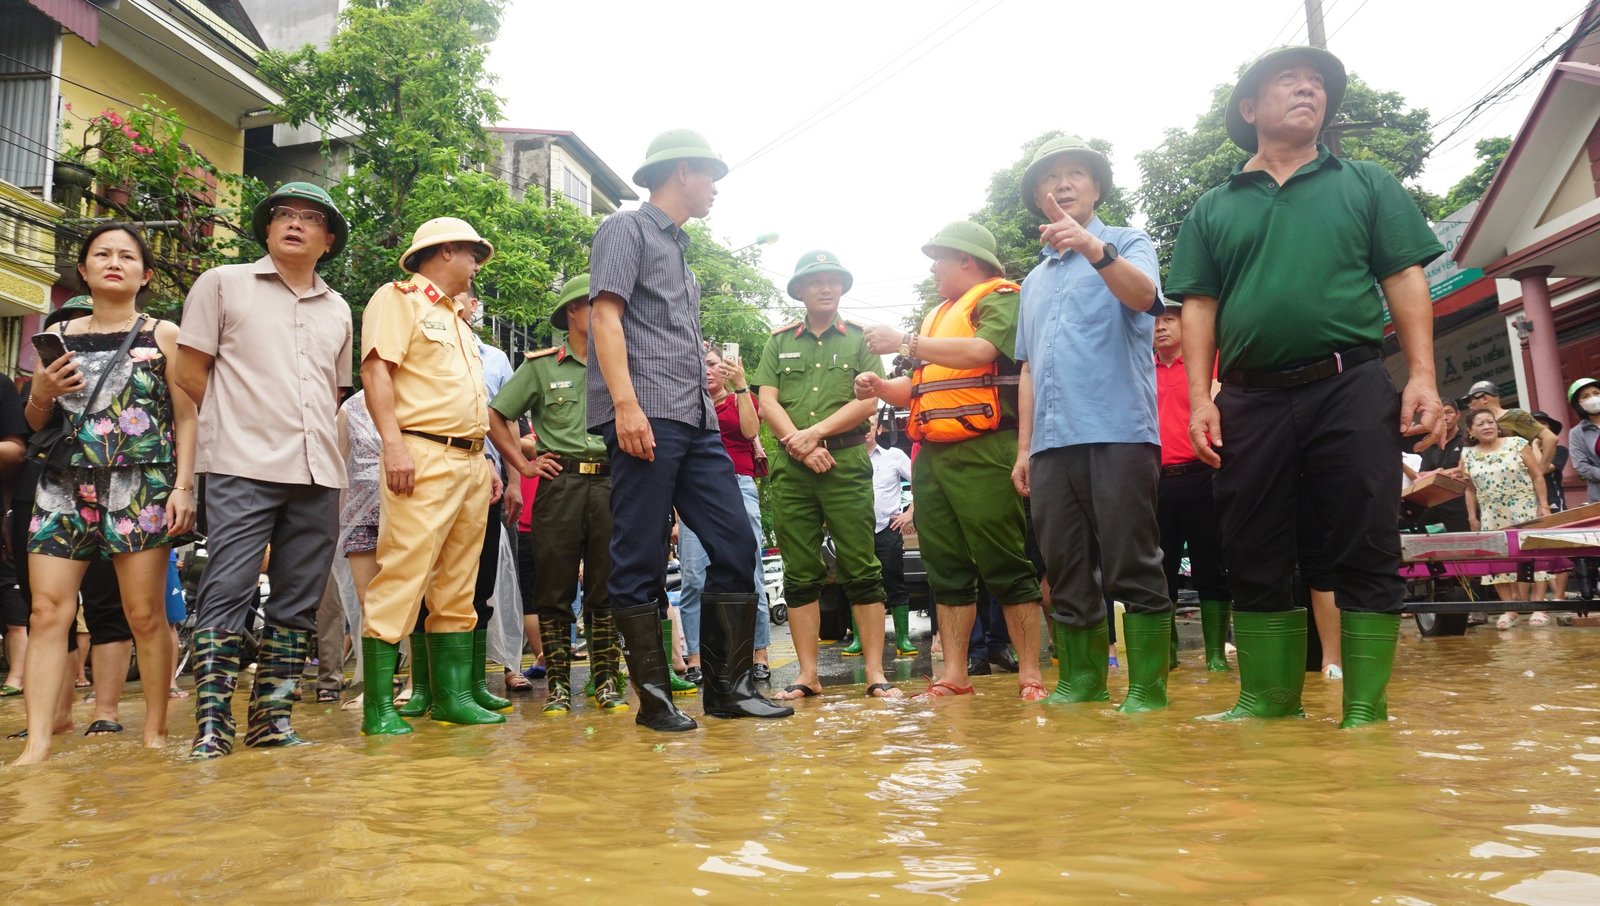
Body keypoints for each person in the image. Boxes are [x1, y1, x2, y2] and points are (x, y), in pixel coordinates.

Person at [1166, 46, 1446, 728]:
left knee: (1365, 532)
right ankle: (1266, 700)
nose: (1307, 89)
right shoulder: (1213, 207)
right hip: (1249, 397)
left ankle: (1364, 707)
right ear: (1249, 108)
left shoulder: (1367, 183)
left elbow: (1405, 279)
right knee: (1252, 541)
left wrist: (1423, 374)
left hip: (1348, 385)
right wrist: (1202, 397)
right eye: (1288, 80)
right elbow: (1197, 305)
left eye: (1317, 83)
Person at [588, 129, 791, 731]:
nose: (714, 190)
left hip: (697, 418)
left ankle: (727, 689)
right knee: (640, 555)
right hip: (646, 412)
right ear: (682, 172)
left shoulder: (679, 251)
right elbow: (605, 314)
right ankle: (654, 701)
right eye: (710, 177)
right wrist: (625, 405)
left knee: (737, 545)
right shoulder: (624, 229)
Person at [176, 182, 351, 757]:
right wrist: (238, 420)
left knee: (298, 598)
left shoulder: (339, 309)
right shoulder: (223, 283)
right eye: (283, 215)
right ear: (268, 228)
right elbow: (189, 372)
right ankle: (212, 724)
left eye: (309, 218)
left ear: (327, 240)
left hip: (319, 470)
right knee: (227, 587)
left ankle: (271, 718)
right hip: (241, 464)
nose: (294, 224)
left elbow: (334, 392)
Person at [12, 222, 197, 766]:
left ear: (145, 273)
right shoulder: (58, 335)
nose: (113, 262)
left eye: (126, 256)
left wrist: (184, 487)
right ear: (85, 269)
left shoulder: (164, 334)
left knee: (144, 615)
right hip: (61, 486)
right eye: (101, 255)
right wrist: (41, 392)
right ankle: (39, 742)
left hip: (142, 485)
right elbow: (34, 421)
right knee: (47, 613)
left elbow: (188, 418)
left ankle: (156, 731)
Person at [1007, 136, 1174, 712]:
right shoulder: (1032, 281)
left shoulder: (1128, 241)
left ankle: (1149, 687)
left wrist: (1093, 248)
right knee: (1065, 566)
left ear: (1096, 187)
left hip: (1118, 431)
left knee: (1133, 560)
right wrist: (1024, 448)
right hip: (1051, 444)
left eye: (1076, 174)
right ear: (1037, 199)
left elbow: (1146, 296)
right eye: (1051, 179)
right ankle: (1081, 681)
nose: (1064, 184)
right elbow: (1027, 367)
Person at [858, 221, 1045, 701]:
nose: (933, 269)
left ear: (966, 258)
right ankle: (954, 675)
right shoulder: (936, 316)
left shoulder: (1000, 297)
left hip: (985, 448)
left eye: (938, 258)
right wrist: (880, 388)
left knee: (1005, 561)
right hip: (932, 456)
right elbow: (918, 389)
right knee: (946, 569)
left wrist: (905, 342)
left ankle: (1029, 674)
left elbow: (984, 351)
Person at [357, 217, 503, 735]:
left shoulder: (459, 318)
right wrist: (392, 446)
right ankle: (379, 709)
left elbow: (466, 397)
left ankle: (453, 697)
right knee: (403, 572)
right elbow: (376, 370)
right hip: (420, 453)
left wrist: (484, 458)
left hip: (468, 460)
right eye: (472, 255)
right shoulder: (398, 299)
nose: (476, 266)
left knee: (458, 583)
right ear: (444, 252)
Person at [754, 250, 899, 701]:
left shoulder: (860, 339)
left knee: (862, 568)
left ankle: (875, 673)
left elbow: (869, 401)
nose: (826, 287)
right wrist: (799, 444)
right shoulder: (778, 341)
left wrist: (811, 435)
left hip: (846, 463)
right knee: (800, 573)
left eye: (834, 280)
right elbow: (767, 401)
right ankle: (807, 675)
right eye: (816, 281)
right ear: (799, 290)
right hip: (793, 470)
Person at [487, 274, 627, 716]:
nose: (604, 315)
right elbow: (496, 415)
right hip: (559, 484)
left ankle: (605, 683)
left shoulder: (620, 361)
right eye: (593, 306)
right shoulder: (542, 366)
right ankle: (561, 687)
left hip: (612, 481)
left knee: (607, 586)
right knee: (554, 588)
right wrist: (524, 465)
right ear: (572, 312)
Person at [399, 289, 516, 721]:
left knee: (475, 583)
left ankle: (469, 686)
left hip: (486, 478)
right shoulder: (417, 333)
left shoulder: (496, 359)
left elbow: (504, 419)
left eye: (469, 297)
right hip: (429, 468)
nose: (462, 302)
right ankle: (423, 688)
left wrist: (514, 475)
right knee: (421, 578)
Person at [677, 345, 774, 684]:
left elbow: (749, 432)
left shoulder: (737, 399)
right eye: (701, 364)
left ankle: (758, 652)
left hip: (738, 483)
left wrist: (742, 385)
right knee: (693, 577)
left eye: (715, 364)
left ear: (727, 367)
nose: (708, 371)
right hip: (695, 489)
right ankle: (695, 658)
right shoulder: (686, 403)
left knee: (751, 571)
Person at [1151, 299, 1231, 672]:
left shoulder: (1207, 366)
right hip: (1156, 480)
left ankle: (1215, 653)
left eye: (1169, 319)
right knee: (1159, 567)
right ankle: (1165, 653)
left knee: (1210, 564)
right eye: (1155, 322)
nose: (1160, 327)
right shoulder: (1140, 369)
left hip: (1203, 474)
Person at [1461, 408, 1551, 629]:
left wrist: (1544, 505)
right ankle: (1510, 609)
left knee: (1532, 557)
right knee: (1498, 562)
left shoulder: (1517, 444)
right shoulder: (1467, 454)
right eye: (1480, 423)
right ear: (1471, 431)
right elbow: (1469, 489)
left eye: (1490, 422)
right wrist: (1473, 517)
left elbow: (1537, 476)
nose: (1487, 426)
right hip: (1491, 514)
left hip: (1525, 509)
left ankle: (1538, 607)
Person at [865, 420, 918, 659]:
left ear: (877, 429)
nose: (865, 430)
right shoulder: (848, 458)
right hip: (858, 531)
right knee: (860, 585)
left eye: (869, 425)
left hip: (888, 528)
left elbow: (919, 479)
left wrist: (909, 513)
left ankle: (903, 639)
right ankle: (859, 640)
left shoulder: (893, 455)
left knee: (894, 581)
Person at [1465, 380, 1557, 468]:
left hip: (1521, 480)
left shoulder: (1515, 416)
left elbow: (1550, 438)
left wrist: (1541, 472)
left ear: (1484, 398)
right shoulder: (1474, 426)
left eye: (1470, 400)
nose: (1468, 405)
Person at [1414, 398, 1470, 532]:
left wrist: (1436, 474)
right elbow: (1421, 474)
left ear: (1458, 414)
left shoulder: (1467, 439)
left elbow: (1465, 469)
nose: (1445, 418)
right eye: (1440, 414)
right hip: (1434, 502)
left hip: (1460, 502)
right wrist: (1448, 473)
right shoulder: (1429, 443)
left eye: (1448, 412)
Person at [1568, 378, 1600, 504]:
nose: (1592, 398)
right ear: (1578, 404)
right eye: (1585, 396)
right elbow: (1581, 467)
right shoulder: (1577, 433)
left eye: (1596, 393)